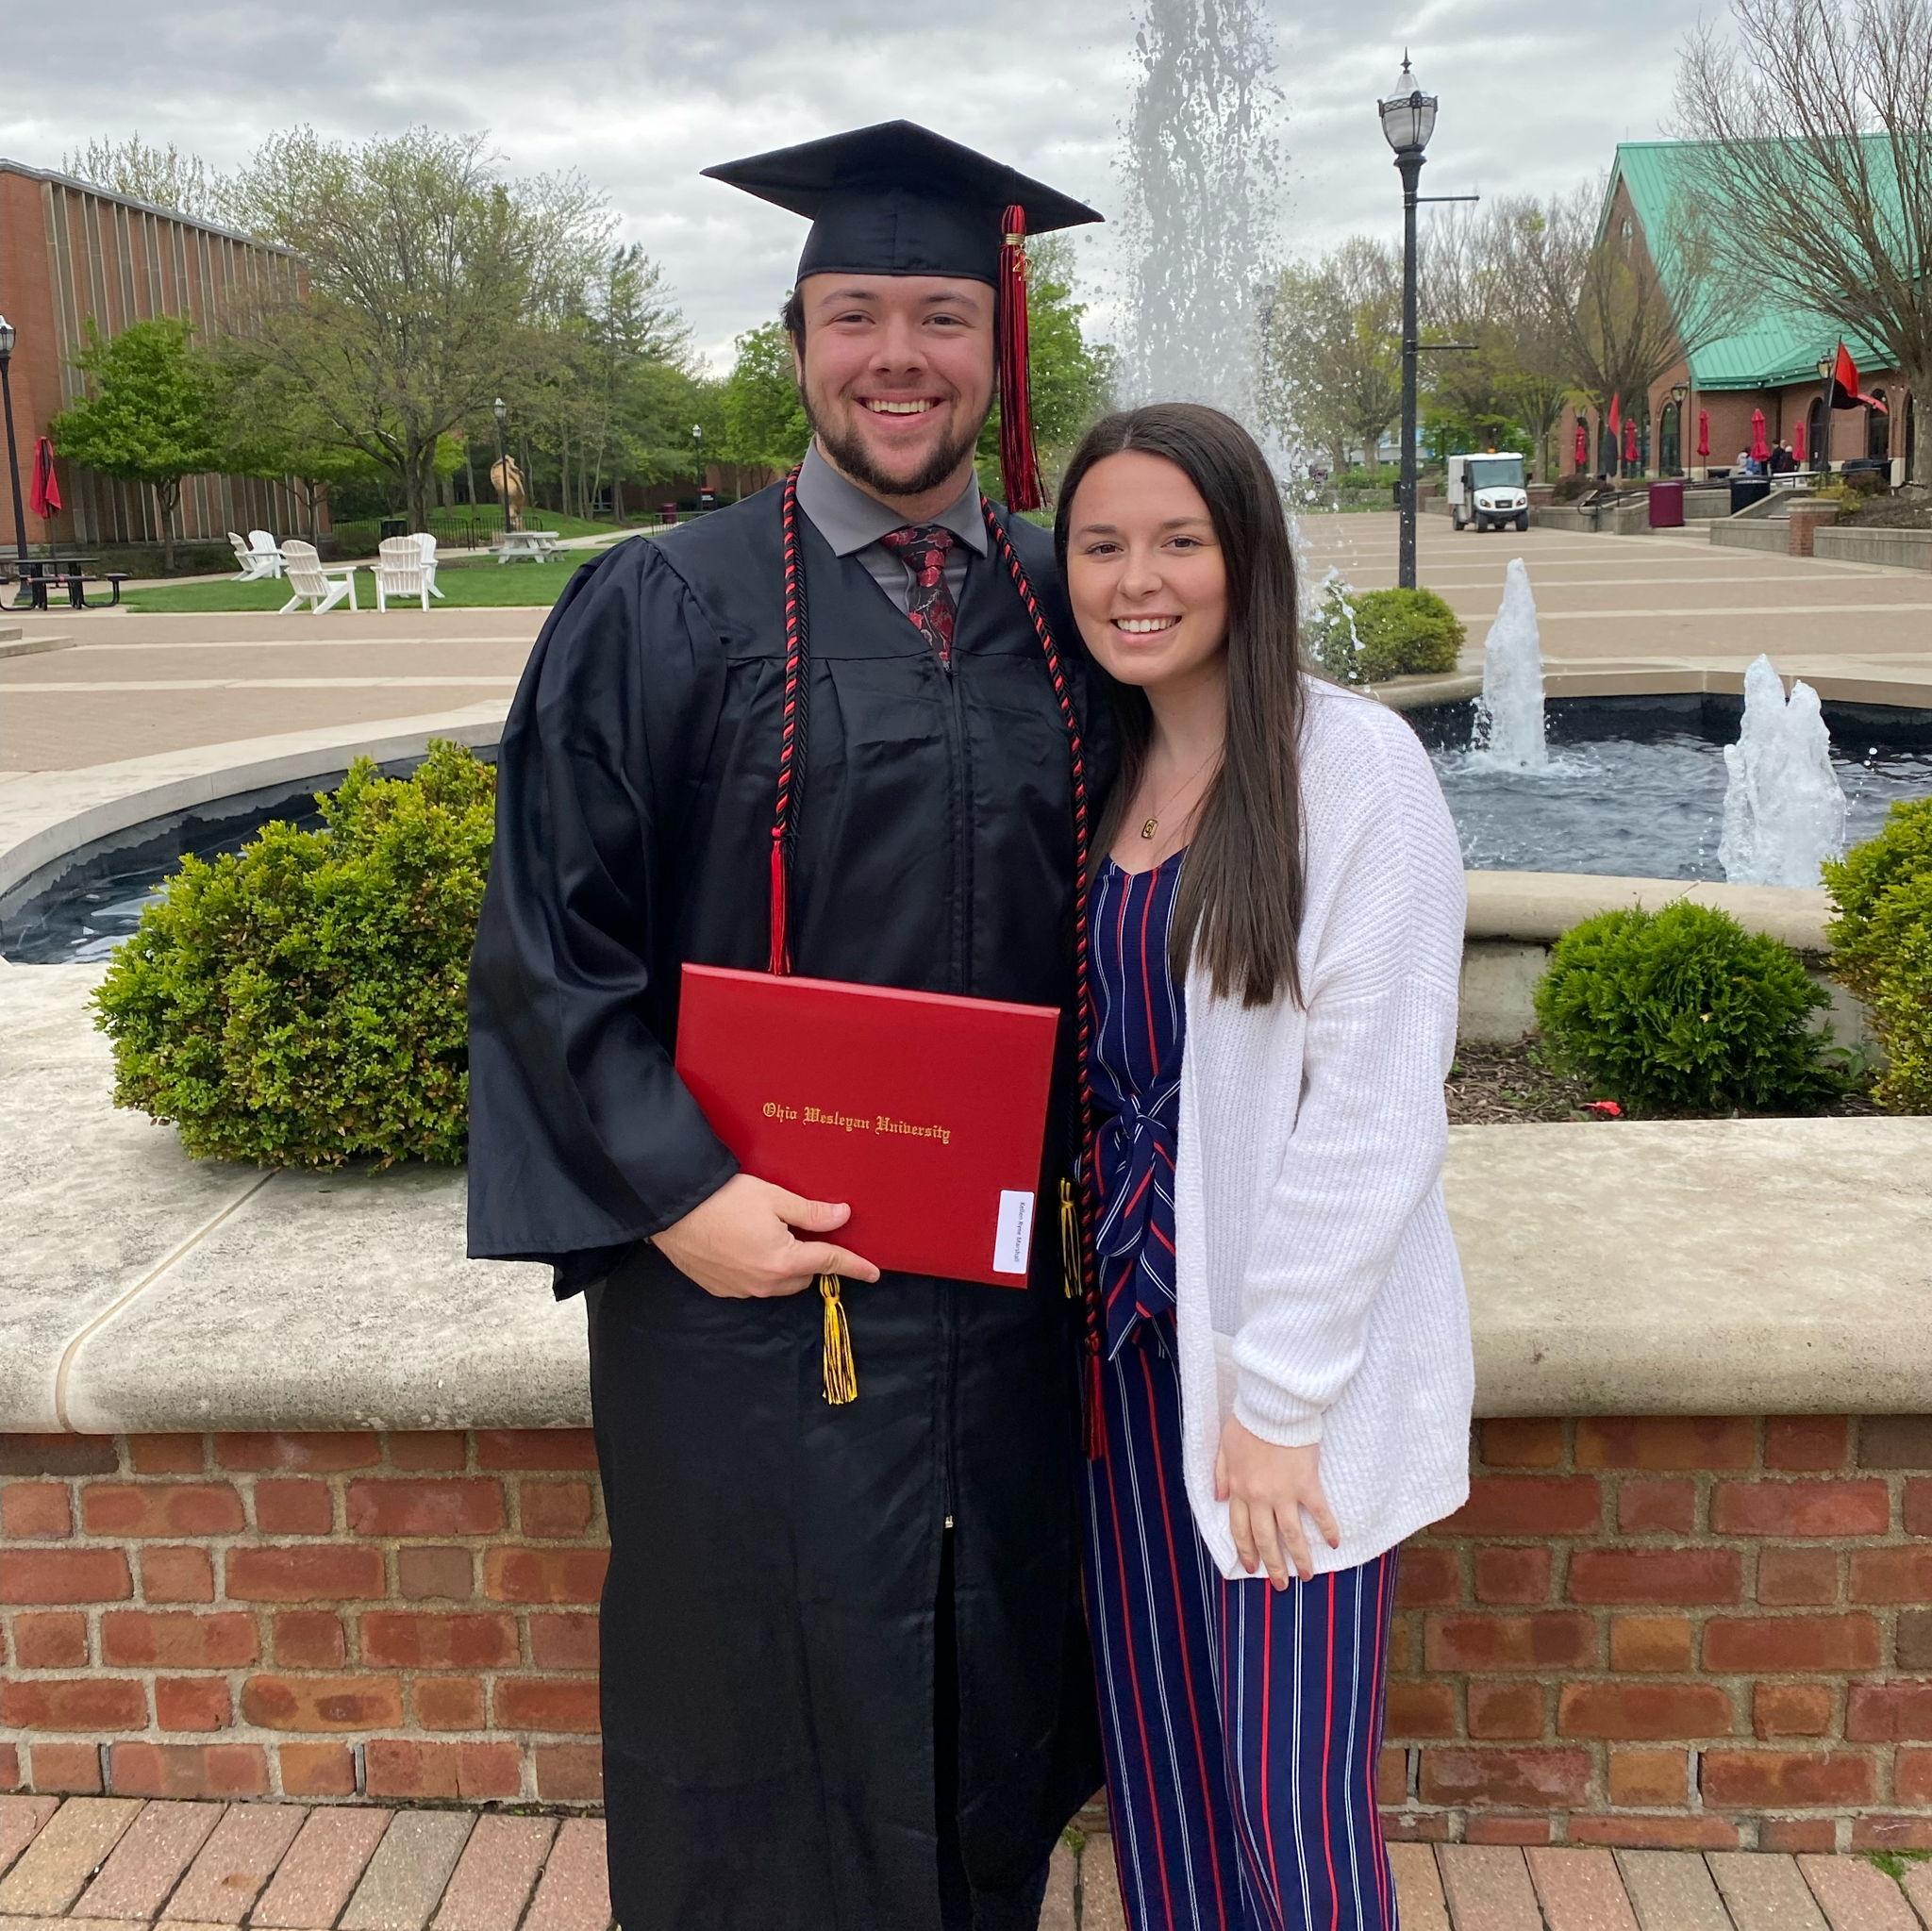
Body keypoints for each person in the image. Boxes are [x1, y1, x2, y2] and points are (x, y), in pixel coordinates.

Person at [467, 122, 1110, 1931]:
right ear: (796, 341)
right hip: (735, 1302)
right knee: (741, 1710)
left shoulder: (1071, 609)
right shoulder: (663, 606)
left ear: (1001, 349)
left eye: (940, 316)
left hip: (994, 1310)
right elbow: (547, 943)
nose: (896, 357)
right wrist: (676, 1194)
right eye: (854, 315)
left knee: (977, 1699)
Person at [1054, 403, 1473, 1930]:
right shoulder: (1100, 773)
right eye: (1101, 545)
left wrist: (1279, 1403)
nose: (1136, 578)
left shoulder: (1350, 769)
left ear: (1248, 560)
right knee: (1161, 1785)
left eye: (1179, 540)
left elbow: (1372, 1116)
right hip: (1118, 1359)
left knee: (1290, 1818)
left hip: (1273, 1378)